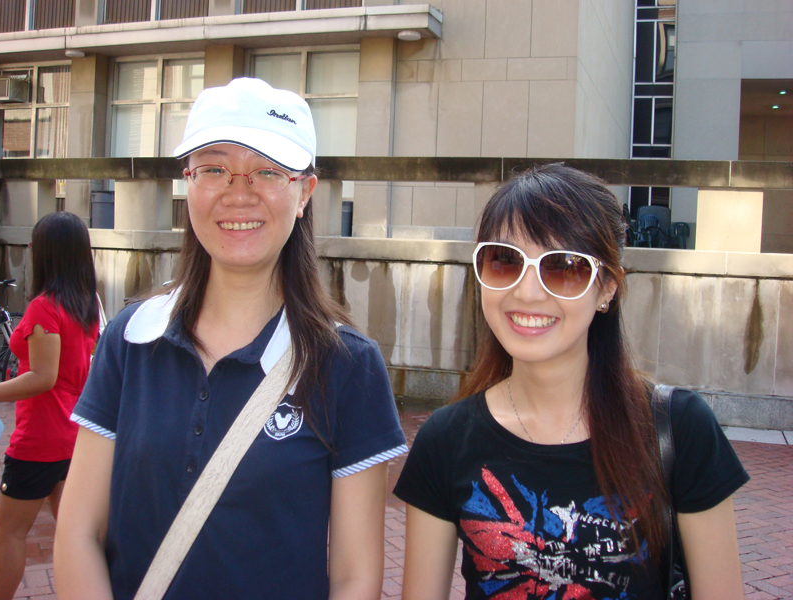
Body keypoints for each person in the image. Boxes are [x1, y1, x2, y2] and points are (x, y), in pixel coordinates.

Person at [54, 77, 407, 600]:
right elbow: (78, 531)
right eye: (214, 169)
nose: (238, 193)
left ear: (305, 191)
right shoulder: (129, 340)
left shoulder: (346, 364)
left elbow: (356, 577)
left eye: (267, 171)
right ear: (187, 182)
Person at [393, 164, 749, 600]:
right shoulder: (444, 440)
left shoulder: (680, 430)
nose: (528, 292)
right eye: (505, 260)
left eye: (564, 267)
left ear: (607, 289)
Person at [0, 211, 99, 600]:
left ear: (45, 252)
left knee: (7, 532)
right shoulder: (86, 304)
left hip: (39, 440)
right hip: (72, 435)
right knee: (77, 534)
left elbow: (43, 377)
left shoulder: (44, 307)